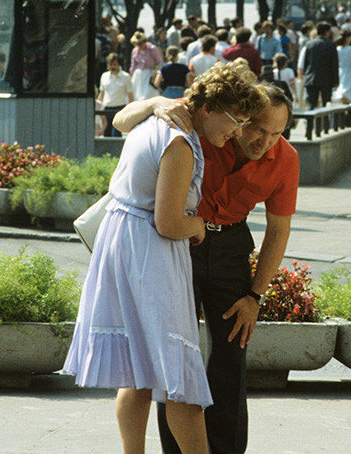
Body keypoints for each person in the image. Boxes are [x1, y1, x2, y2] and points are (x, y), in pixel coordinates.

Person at [64, 61, 267, 454]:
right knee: (180, 376)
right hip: (150, 255)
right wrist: (199, 226)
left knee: (138, 374)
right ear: (208, 109)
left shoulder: (157, 121)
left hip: (122, 244)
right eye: (235, 120)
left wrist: (154, 101)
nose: (238, 131)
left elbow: (121, 121)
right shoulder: (180, 142)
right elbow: (169, 222)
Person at [113, 84, 299, 454]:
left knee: (233, 348)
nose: (265, 141)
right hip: (181, 242)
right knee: (176, 351)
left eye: (277, 133)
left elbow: (279, 230)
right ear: (241, 115)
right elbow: (120, 120)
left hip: (230, 247)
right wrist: (154, 102)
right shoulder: (210, 123)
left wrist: (254, 296)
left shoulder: (286, 158)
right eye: (257, 129)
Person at [299, 22, 339, 109]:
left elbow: (306, 62)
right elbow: (334, 64)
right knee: (326, 103)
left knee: (311, 104)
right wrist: (336, 80)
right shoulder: (331, 45)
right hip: (326, 79)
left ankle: (310, 122)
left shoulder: (309, 44)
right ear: (327, 32)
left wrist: (306, 75)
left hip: (311, 78)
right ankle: (324, 122)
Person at [96, 55, 133, 137]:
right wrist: (98, 109)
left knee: (116, 134)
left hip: (119, 110)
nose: (112, 67)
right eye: (110, 64)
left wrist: (131, 110)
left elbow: (130, 95)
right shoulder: (104, 76)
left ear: (119, 65)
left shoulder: (126, 77)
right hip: (106, 110)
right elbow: (101, 94)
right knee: (106, 135)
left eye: (114, 64)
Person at [131, 31, 165, 101]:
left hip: (149, 74)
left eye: (141, 43)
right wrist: (131, 75)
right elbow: (133, 65)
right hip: (138, 76)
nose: (139, 46)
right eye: (137, 44)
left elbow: (160, 63)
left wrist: (154, 74)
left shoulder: (152, 49)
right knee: (136, 96)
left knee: (148, 96)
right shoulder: (135, 51)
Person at [332, 31, 351, 104]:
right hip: (349, 73)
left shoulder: (337, 49)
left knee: (341, 92)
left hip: (340, 72)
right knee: (348, 93)